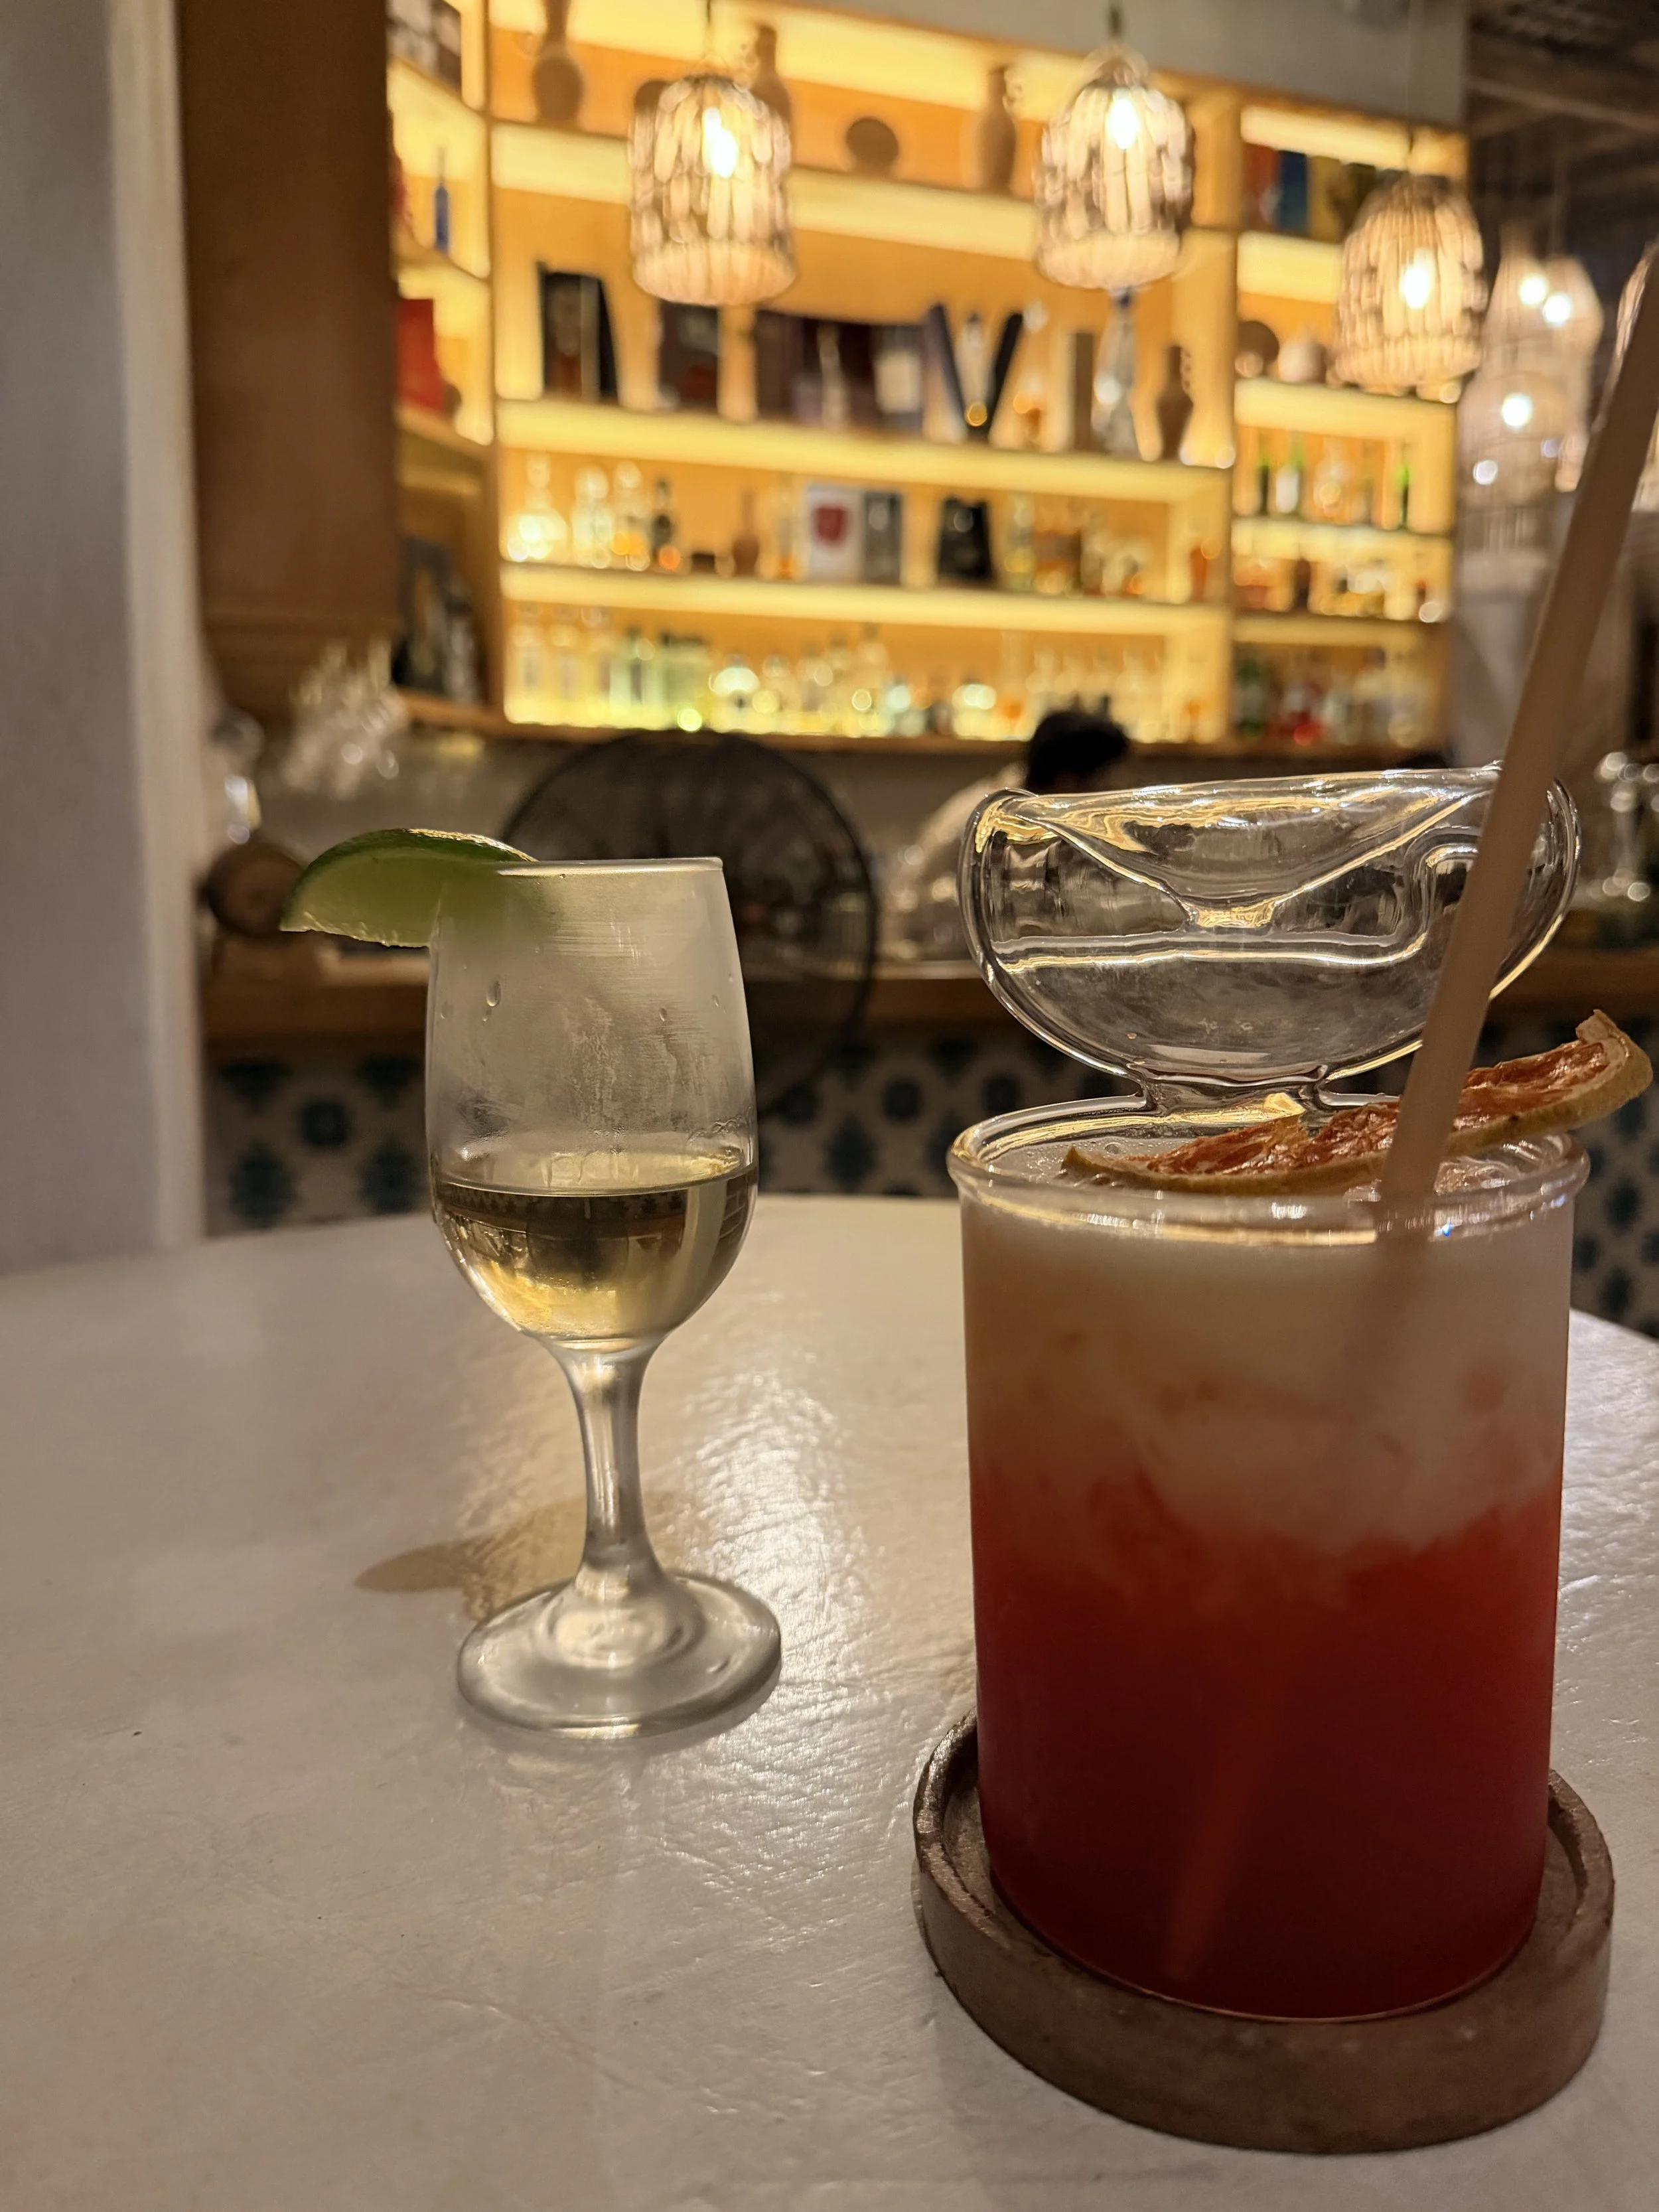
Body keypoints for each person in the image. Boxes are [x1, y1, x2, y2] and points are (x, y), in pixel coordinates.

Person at [881, 707, 1131, 961]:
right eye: (1105, 780)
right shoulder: (990, 818)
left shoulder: (1036, 812)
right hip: (936, 969)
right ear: (1066, 780)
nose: (1112, 791)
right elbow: (911, 913)